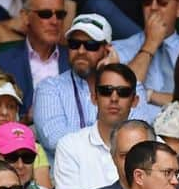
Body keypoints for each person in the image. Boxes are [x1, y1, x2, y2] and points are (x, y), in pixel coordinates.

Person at [32, 13, 152, 155]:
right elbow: (54, 140)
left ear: (107, 50)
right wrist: (109, 140)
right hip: (68, 173)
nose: (81, 51)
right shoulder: (49, 87)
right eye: (74, 44)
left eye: (91, 45)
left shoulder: (130, 88)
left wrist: (113, 75)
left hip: (115, 173)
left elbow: (139, 138)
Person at [53, 62, 140, 189]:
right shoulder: (70, 146)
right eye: (106, 91)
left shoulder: (156, 145)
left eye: (123, 92)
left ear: (135, 101)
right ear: (94, 97)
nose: (114, 98)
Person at [0, 0, 69, 118]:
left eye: (60, 15)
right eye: (45, 14)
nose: (54, 21)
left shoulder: (75, 59)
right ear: (25, 16)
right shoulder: (3, 63)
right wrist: (26, 119)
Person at [112, 0, 179, 110]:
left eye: (162, 2)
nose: (153, 7)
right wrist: (151, 44)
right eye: (147, 1)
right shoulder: (119, 49)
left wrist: (150, 95)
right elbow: (122, 92)